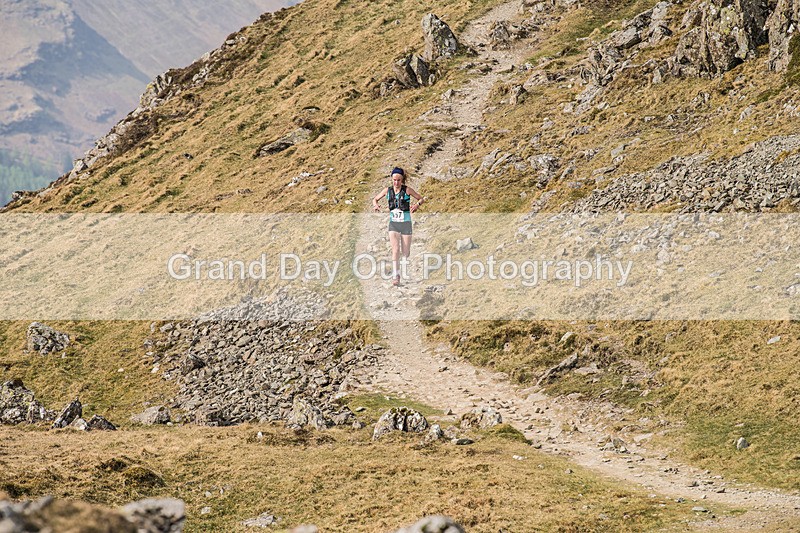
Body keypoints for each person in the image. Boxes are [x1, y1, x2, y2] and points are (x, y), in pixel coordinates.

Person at [372, 167, 424, 286]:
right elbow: (375, 199)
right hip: (394, 224)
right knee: (395, 250)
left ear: (402, 180)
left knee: (405, 252)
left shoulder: (407, 190)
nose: (396, 183)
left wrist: (417, 205)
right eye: (394, 180)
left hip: (406, 224)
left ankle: (403, 267)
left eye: (399, 180)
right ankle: (396, 275)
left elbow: (421, 198)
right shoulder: (387, 191)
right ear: (391, 179)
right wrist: (376, 206)